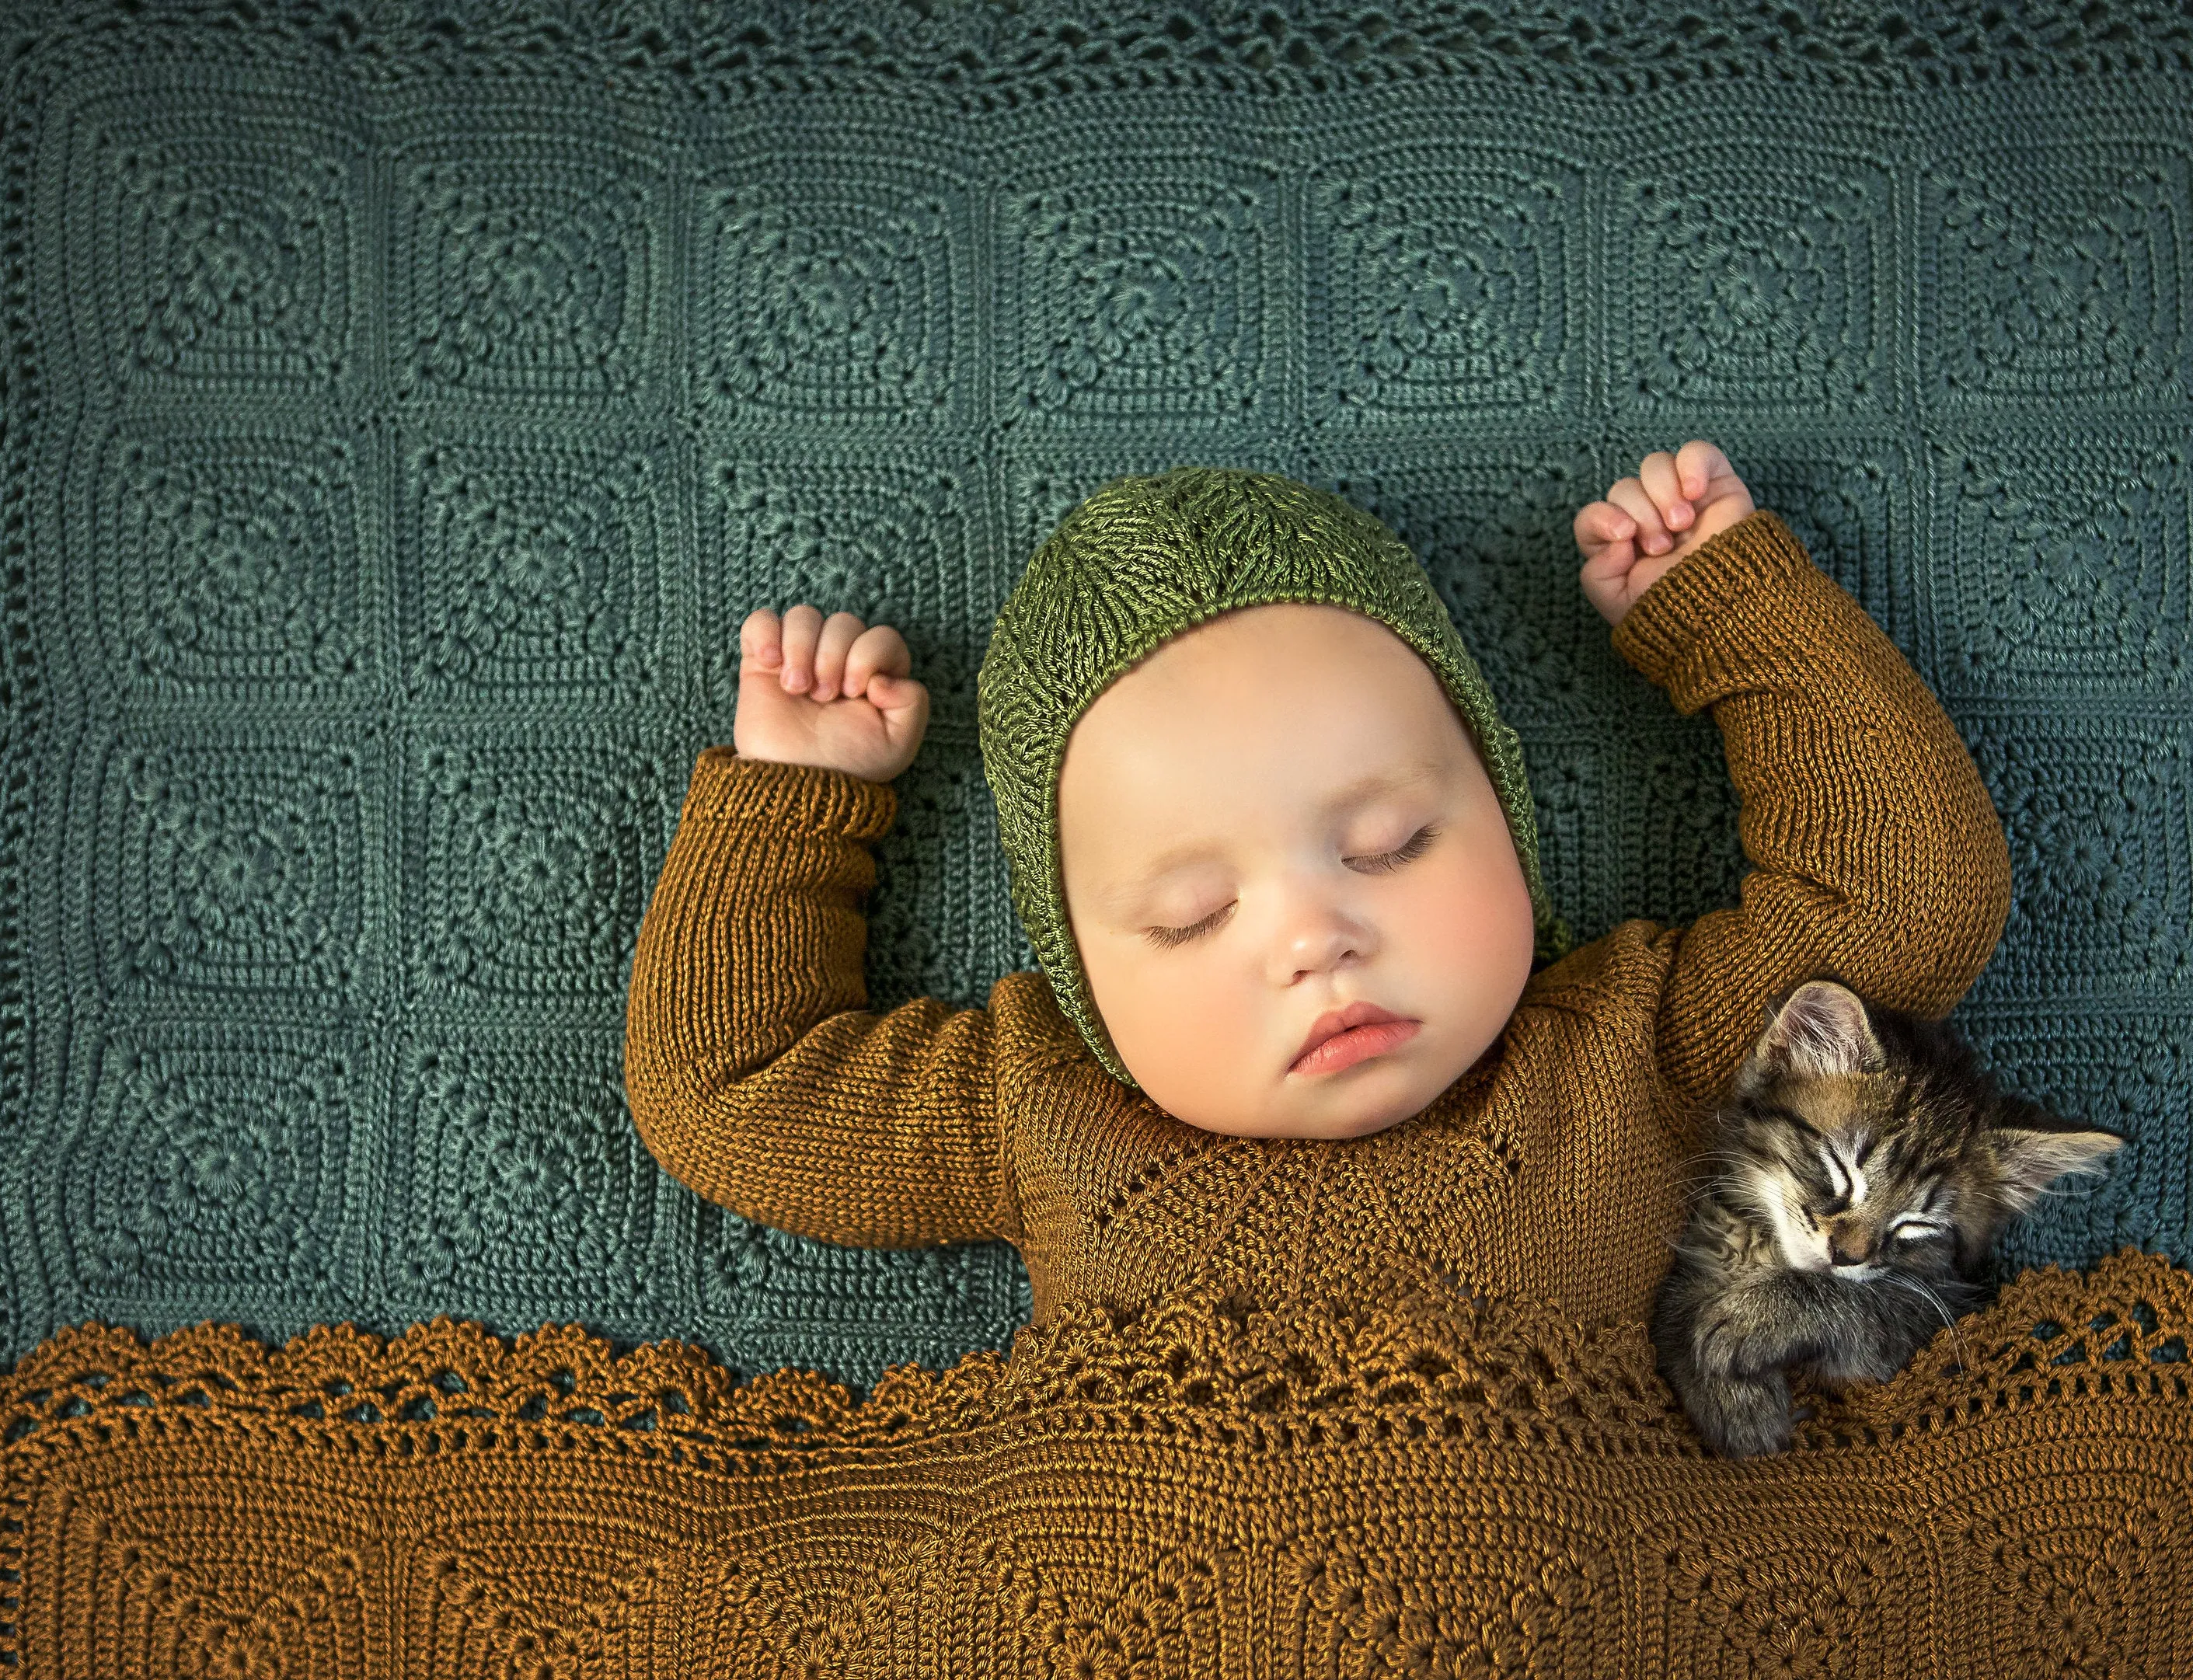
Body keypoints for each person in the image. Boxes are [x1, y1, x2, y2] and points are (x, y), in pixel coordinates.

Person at [623, 441, 2010, 1337]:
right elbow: (733, 1092)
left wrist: (1727, 613)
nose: (1314, 937)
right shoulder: (1039, 1105)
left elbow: (1902, 903)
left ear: (1507, 816)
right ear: (1081, 977)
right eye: (1188, 915)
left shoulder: (1633, 1049)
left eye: (1393, 843)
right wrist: (799, 809)